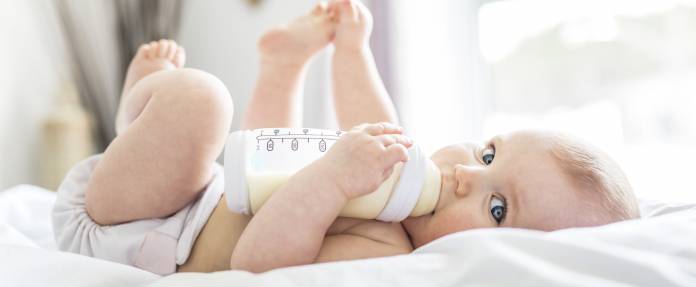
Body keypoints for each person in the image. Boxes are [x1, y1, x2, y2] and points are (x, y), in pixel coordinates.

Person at [52, 0, 639, 275]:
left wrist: (333, 179)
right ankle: (280, 68)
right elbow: (371, 117)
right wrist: (354, 50)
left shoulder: (385, 253)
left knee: (203, 102)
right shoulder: (403, 194)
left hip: (132, 234)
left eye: (497, 205)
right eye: (488, 154)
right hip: (193, 194)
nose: (467, 173)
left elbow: (257, 259)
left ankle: (140, 112)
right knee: (263, 144)